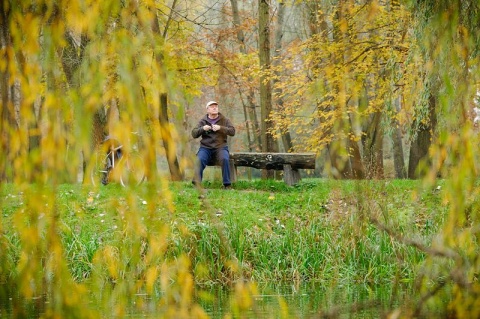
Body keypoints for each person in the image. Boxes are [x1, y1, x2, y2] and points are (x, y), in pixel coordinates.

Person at [192, 101, 235, 189]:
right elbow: (194, 133)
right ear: (207, 110)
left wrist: (220, 128)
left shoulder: (225, 120)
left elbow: (232, 131)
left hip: (221, 147)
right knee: (199, 159)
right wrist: (203, 128)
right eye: (212, 106)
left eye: (216, 106)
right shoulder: (203, 121)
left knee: (225, 159)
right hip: (205, 148)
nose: (215, 108)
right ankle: (197, 183)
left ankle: (227, 185)